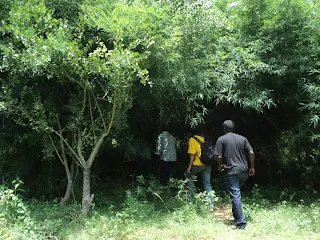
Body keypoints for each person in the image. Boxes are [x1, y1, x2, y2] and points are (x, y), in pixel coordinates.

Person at [214, 120, 255, 230]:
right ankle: (237, 216)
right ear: (233, 128)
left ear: (224, 128)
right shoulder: (243, 138)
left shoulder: (221, 139)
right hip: (244, 170)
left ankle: (241, 223)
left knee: (235, 194)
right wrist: (251, 167)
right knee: (236, 193)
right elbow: (251, 152)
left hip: (232, 170)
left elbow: (218, 156)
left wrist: (219, 165)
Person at [185, 129, 213, 207]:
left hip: (198, 164)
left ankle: (193, 199)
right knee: (207, 183)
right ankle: (211, 204)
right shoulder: (203, 139)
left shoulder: (192, 139)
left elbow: (192, 154)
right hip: (207, 163)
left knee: (187, 176)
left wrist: (189, 167)